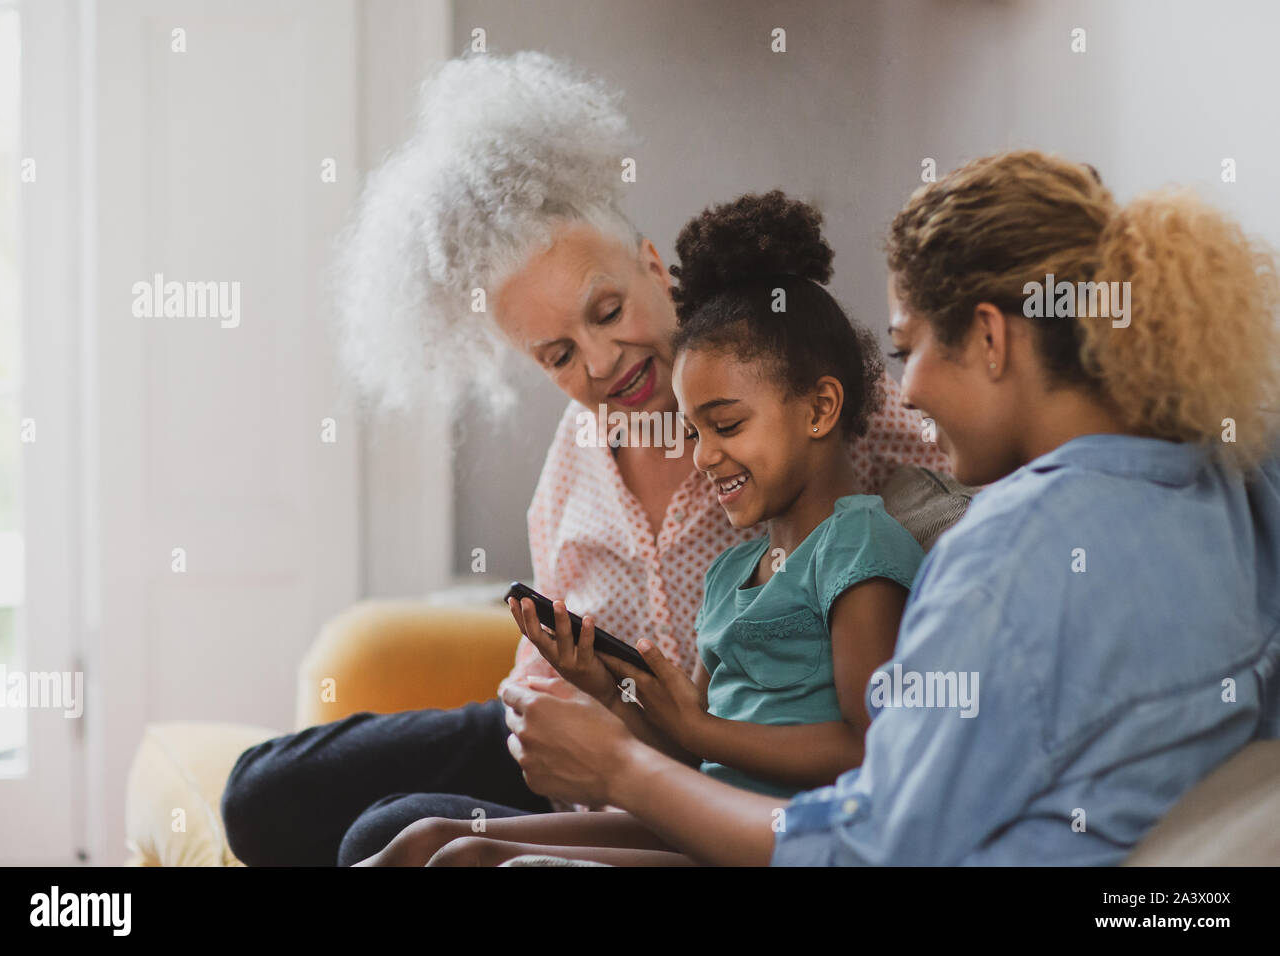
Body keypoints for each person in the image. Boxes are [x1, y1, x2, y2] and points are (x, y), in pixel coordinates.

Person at [219, 52, 947, 867]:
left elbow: (950, 479)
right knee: (259, 793)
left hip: (666, 764)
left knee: (387, 834)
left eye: (606, 311)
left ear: (653, 266)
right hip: (559, 731)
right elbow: (549, 667)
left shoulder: (801, 400)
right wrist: (565, 694)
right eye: (558, 355)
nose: (598, 364)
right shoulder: (576, 452)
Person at [496, 149, 1280, 866]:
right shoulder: (1232, 479)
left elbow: (867, 848)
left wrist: (622, 771)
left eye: (908, 349)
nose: (905, 390)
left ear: (990, 339)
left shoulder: (1004, 562)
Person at [360, 191, 928, 866]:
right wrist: (606, 687)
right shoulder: (731, 575)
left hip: (772, 830)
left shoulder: (858, 546)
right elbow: (686, 750)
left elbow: (872, 752)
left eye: (726, 426)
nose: (701, 455)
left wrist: (698, 730)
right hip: (684, 800)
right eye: (692, 431)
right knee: (417, 841)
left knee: (467, 857)